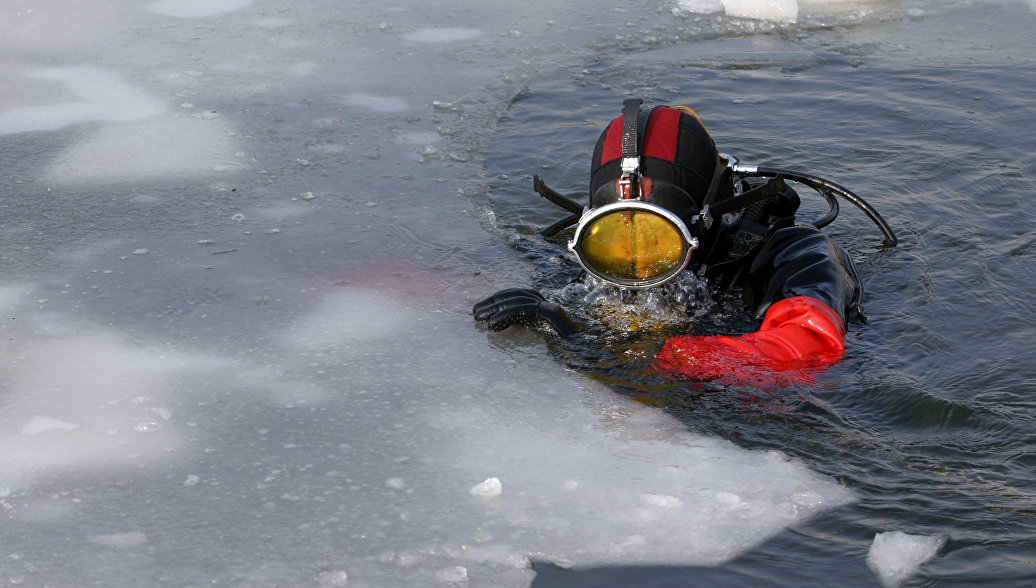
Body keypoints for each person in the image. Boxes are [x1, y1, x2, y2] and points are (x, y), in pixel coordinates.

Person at [473, 99, 896, 387]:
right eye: (614, 239)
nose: (637, 267)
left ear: (701, 220)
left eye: (658, 238)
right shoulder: (585, 267)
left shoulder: (796, 254)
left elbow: (810, 347)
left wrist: (587, 343)